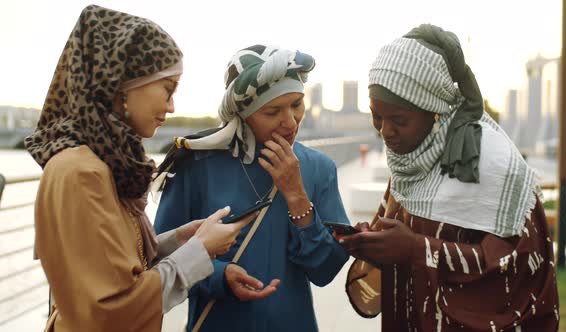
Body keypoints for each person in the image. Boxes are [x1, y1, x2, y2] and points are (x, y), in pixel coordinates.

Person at [25, 5, 254, 331]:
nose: (171, 106)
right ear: (123, 85)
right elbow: (111, 310)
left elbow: (111, 266)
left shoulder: (98, 163)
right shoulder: (80, 173)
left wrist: (180, 240)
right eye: (168, 88)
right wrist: (200, 251)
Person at [340, 24, 559, 331]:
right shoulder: (410, 157)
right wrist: (374, 241)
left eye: (399, 120)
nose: (385, 132)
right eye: (377, 116)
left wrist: (416, 249)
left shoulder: (495, 166)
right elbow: (401, 229)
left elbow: (516, 270)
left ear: (435, 112)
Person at [153, 44, 350, 332]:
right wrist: (219, 276)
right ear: (241, 114)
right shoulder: (196, 165)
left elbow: (325, 271)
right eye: (272, 111)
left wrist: (296, 196)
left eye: (297, 104)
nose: (290, 121)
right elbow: (159, 256)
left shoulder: (319, 168)